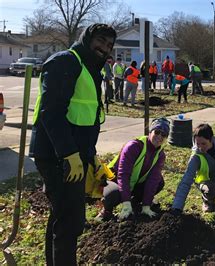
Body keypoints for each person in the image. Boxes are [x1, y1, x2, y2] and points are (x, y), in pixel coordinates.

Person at [29, 23, 116, 265]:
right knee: (71, 222)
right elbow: (51, 112)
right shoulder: (67, 62)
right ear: (87, 38)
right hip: (59, 155)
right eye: (100, 41)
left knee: (62, 216)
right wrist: (69, 154)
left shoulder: (89, 68)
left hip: (75, 154)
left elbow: (85, 118)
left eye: (109, 45)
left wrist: (90, 156)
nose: (105, 48)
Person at [95, 118, 170, 221]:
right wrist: (126, 203)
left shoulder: (160, 154)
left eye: (164, 135)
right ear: (150, 131)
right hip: (114, 180)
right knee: (112, 195)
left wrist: (146, 205)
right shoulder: (134, 146)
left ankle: (135, 204)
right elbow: (123, 175)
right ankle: (106, 211)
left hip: (133, 184)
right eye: (157, 132)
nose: (159, 136)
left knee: (159, 182)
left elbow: (153, 180)